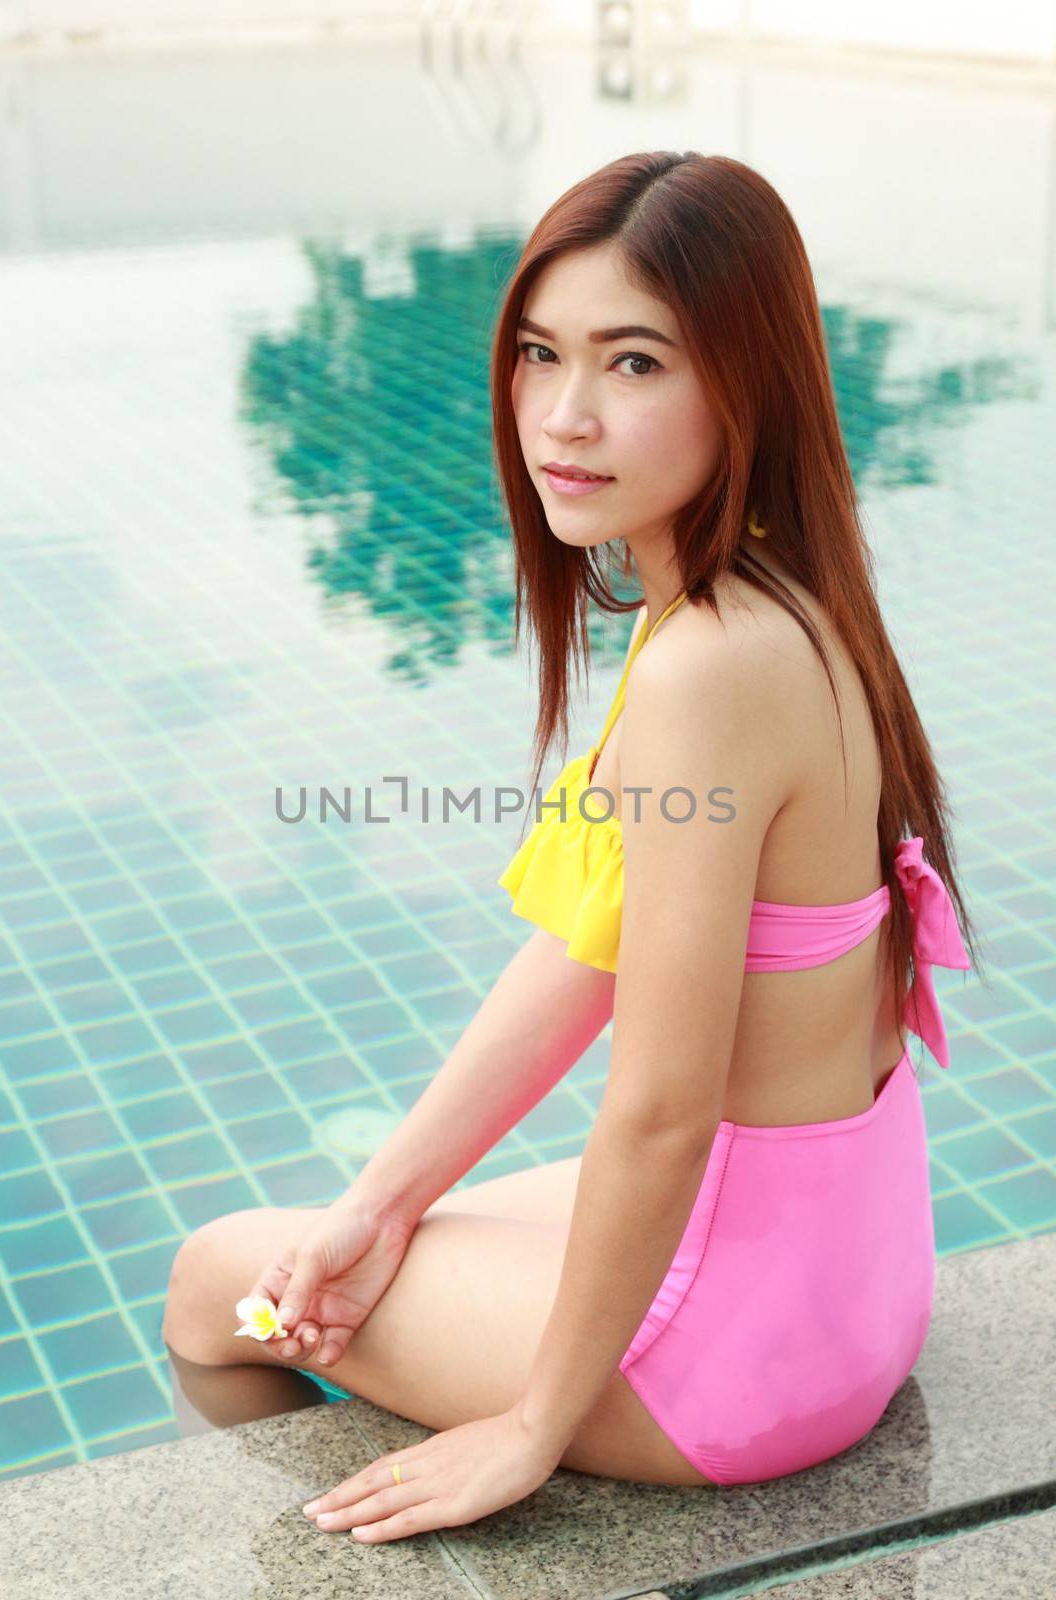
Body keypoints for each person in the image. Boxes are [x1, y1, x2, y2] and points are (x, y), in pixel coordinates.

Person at [162, 150, 984, 1544]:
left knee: (212, 1284)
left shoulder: (701, 672)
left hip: (740, 1366)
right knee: (375, 1238)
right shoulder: (783, 593)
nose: (564, 415)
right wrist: (380, 1195)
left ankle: (336, 1559)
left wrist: (532, 1425)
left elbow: (658, 1108)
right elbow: (584, 957)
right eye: (540, 354)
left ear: (746, 380)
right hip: (850, 1272)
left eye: (635, 364)